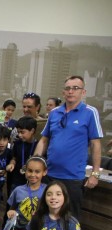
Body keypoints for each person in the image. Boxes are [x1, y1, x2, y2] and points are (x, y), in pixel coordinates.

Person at [34, 75, 103, 219]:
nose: (71, 91)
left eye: (75, 88)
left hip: (73, 178)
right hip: (50, 175)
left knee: (70, 221)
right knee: (45, 218)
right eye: (68, 88)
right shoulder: (54, 113)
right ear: (63, 92)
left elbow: (96, 144)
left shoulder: (90, 112)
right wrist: (35, 164)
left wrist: (95, 174)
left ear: (83, 92)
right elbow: (44, 140)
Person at [1, 157, 48, 230]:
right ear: (25, 171)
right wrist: (10, 213)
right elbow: (11, 209)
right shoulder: (18, 190)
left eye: (37, 172)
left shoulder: (47, 190)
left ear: (44, 172)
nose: (33, 174)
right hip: (18, 229)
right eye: (30, 171)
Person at [8, 116, 37, 192]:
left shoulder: (38, 146)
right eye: (18, 132)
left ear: (32, 131)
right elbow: (14, 157)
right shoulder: (17, 143)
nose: (20, 135)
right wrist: (12, 164)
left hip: (32, 180)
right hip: (17, 179)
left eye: (22, 132)